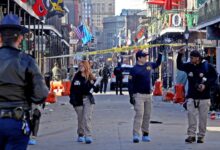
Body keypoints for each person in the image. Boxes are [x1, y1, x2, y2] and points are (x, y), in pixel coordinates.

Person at [0, 14, 48, 150]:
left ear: (0, 38)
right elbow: (41, 95)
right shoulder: (27, 61)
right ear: (20, 38)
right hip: (17, 121)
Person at [177, 49, 217, 144]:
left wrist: (205, 85)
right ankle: (191, 135)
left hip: (204, 97)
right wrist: (179, 55)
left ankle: (201, 136)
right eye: (190, 57)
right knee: (191, 116)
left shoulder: (207, 66)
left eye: (192, 57)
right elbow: (179, 66)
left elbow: (214, 77)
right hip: (192, 96)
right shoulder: (189, 66)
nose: (190, 59)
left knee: (203, 118)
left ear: (198, 58)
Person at [128, 50, 162, 143]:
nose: (146, 57)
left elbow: (158, 63)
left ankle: (145, 134)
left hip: (148, 95)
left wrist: (160, 54)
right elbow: (130, 84)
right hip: (138, 95)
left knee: (147, 115)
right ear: (139, 58)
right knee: (139, 114)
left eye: (146, 56)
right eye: (144, 56)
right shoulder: (134, 69)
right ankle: (136, 134)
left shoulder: (149, 65)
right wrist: (131, 96)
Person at [69, 60, 99, 144]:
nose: (80, 67)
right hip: (78, 100)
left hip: (88, 100)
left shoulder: (90, 77)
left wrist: (96, 87)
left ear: (86, 66)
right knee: (81, 118)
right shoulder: (76, 76)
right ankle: (81, 134)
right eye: (79, 66)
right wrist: (72, 100)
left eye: (82, 66)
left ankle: (88, 136)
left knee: (87, 118)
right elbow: (72, 90)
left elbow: (96, 89)